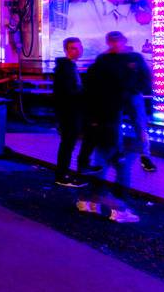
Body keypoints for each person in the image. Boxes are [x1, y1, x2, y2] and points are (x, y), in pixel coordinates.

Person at [77, 32, 142, 223]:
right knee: (119, 165)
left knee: (99, 161)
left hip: (96, 122)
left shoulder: (97, 68)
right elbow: (127, 89)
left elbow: (88, 94)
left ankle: (88, 200)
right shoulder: (116, 72)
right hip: (109, 122)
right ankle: (120, 208)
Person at [103, 31, 156, 172]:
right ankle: (128, 154)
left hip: (129, 96)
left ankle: (144, 156)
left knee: (137, 126)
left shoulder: (130, 57)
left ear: (123, 41)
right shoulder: (108, 58)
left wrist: (137, 89)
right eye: (112, 41)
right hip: (119, 97)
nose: (115, 44)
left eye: (117, 41)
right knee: (121, 127)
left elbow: (146, 76)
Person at [53, 38, 90, 188]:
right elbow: (69, 92)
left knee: (68, 143)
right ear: (67, 50)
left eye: (78, 47)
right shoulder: (66, 68)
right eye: (73, 48)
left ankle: (63, 173)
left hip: (69, 111)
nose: (77, 50)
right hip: (69, 112)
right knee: (68, 143)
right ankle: (62, 175)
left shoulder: (69, 66)